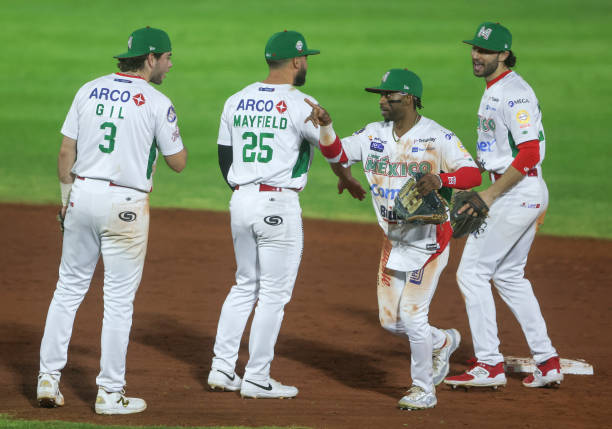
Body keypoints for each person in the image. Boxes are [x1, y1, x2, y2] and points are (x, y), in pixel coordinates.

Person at [304, 69, 482, 409]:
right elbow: (337, 155)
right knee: (390, 321)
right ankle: (442, 342)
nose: (382, 100)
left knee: (413, 314)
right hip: (395, 238)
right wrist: (326, 125)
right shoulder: (374, 134)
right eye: (381, 95)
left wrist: (443, 178)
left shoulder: (437, 137)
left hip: (430, 238)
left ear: (411, 99)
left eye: (390, 95)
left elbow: (473, 172)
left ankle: (423, 389)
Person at [36, 27, 187, 414]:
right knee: (118, 301)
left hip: (82, 195)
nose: (170, 65)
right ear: (150, 59)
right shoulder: (156, 101)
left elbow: (65, 151)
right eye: (167, 58)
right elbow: (178, 162)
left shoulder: (89, 89)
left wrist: (66, 202)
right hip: (126, 204)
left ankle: (48, 380)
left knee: (67, 288)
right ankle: (109, 393)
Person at [207, 30, 365, 400]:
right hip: (278, 204)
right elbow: (334, 152)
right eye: (305, 58)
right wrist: (329, 133)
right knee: (274, 295)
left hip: (241, 200)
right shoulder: (302, 104)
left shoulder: (237, 100)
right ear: (296, 61)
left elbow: (224, 157)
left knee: (245, 285)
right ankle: (257, 377)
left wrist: (245, 194)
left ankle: (222, 368)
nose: (306, 63)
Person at [444, 22, 563, 389]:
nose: (477, 56)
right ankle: (547, 361)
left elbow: (528, 153)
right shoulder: (497, 88)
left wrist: (490, 196)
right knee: (509, 276)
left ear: (504, 54)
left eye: (486, 51)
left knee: (471, 273)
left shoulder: (514, 94)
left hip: (516, 191)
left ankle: (489, 364)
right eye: (475, 49)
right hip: (518, 190)